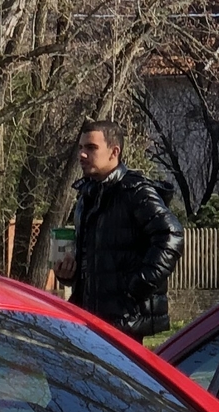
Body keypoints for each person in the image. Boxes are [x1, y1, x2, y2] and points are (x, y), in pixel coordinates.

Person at [63, 120, 182, 338]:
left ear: (114, 152)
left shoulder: (135, 191)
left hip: (126, 323)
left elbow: (171, 235)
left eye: (91, 148)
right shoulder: (87, 195)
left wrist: (136, 287)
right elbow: (98, 259)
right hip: (92, 320)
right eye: (80, 148)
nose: (82, 155)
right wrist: (69, 275)